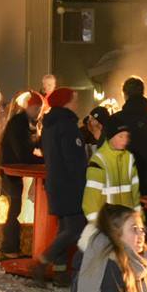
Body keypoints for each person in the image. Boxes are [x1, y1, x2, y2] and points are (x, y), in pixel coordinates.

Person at [38, 88, 88, 276]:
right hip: (70, 186)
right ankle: (44, 260)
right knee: (75, 229)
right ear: (66, 102)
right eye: (74, 99)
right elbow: (74, 160)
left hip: (56, 183)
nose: (77, 103)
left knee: (64, 228)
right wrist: (83, 181)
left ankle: (59, 271)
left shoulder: (50, 125)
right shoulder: (67, 126)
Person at [0, 92, 43, 258]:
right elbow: (22, 153)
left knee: (15, 208)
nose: (38, 112)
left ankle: (11, 247)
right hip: (10, 171)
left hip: (13, 170)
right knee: (14, 208)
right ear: (30, 107)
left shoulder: (25, 123)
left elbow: (28, 149)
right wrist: (44, 160)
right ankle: (10, 248)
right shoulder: (19, 124)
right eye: (37, 108)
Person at [115, 77, 147, 200]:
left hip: (122, 181)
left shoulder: (116, 119)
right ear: (142, 92)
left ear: (125, 94)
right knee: (146, 208)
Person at [82, 123, 140, 217]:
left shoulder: (129, 158)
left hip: (126, 221)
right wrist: (97, 223)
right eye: (121, 136)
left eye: (127, 136)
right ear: (111, 137)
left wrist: (139, 219)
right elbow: (91, 200)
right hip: (107, 221)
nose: (125, 140)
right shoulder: (99, 160)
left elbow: (135, 194)